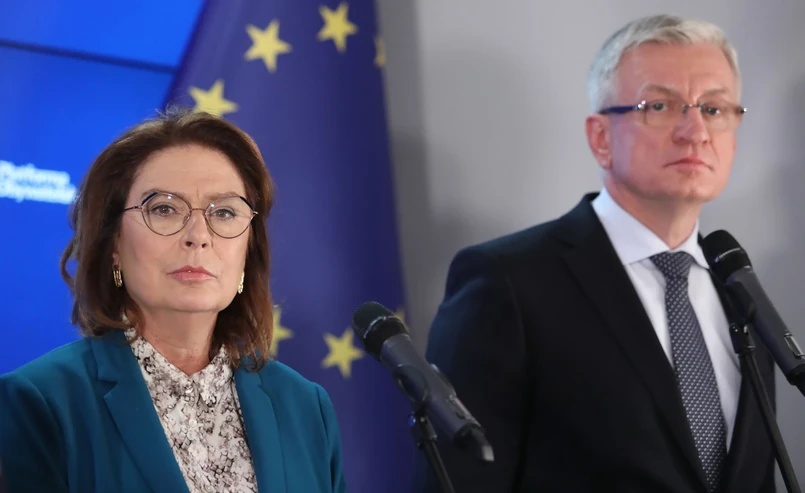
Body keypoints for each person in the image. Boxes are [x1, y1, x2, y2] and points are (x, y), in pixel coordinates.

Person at [413, 14, 776, 493]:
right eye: (660, 106)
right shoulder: (508, 284)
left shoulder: (740, 289)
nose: (695, 131)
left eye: (713, 108)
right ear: (601, 137)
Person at [0, 108, 347, 493]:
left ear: (248, 250)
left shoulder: (305, 407)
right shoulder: (39, 401)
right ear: (114, 243)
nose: (199, 236)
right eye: (164, 209)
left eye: (225, 212)